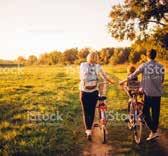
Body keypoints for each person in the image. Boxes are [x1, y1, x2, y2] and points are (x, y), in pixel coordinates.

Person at [128, 49, 165, 141]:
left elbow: (134, 74)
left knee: (145, 113)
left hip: (148, 94)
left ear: (147, 56)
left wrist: (128, 77)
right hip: (158, 94)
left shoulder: (144, 65)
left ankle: (153, 131)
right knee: (155, 114)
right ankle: (153, 132)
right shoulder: (161, 66)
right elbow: (162, 79)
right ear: (155, 55)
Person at [79, 51, 114, 141]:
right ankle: (92, 127)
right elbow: (104, 76)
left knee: (86, 112)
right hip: (94, 91)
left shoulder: (83, 65)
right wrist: (111, 81)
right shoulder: (98, 66)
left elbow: (82, 76)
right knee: (91, 111)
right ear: (97, 58)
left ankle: (88, 131)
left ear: (88, 57)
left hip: (84, 91)